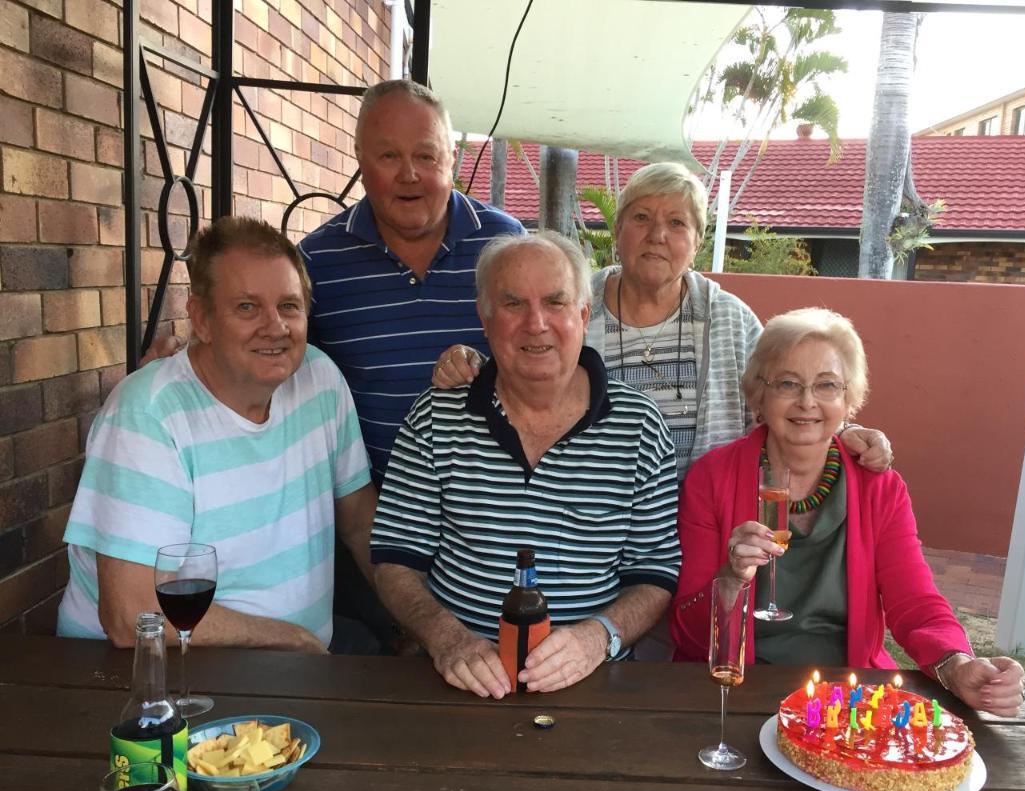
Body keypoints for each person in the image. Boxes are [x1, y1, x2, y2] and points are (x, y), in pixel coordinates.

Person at [433, 161, 893, 479]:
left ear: (696, 240)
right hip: (593, 525)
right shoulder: (569, 304)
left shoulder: (730, 319)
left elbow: (788, 390)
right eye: (641, 217)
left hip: (711, 527)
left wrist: (847, 431)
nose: (657, 235)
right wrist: (471, 362)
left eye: (677, 223)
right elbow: (518, 358)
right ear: (617, 231)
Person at [669, 308, 1025, 717]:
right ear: (758, 395)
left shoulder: (879, 487)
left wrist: (956, 664)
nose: (807, 402)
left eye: (827, 385)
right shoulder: (711, 479)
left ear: (848, 400)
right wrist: (731, 580)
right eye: (788, 383)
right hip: (737, 692)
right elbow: (689, 631)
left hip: (847, 699)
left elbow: (915, 604)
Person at [371, 232, 681, 698]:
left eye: (555, 302)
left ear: (583, 313)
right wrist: (447, 639)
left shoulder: (640, 426)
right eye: (513, 303)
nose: (536, 324)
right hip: (456, 682)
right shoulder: (436, 415)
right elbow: (395, 560)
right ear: (486, 318)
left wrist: (596, 639)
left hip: (592, 683)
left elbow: (655, 572)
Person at [57, 218, 377, 653]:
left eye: (289, 305)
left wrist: (420, 623)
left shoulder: (319, 378)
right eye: (247, 307)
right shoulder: (147, 414)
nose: (275, 327)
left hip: (294, 674)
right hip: (149, 679)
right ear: (202, 319)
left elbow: (358, 519)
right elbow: (132, 614)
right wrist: (292, 639)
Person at [298, 79, 525, 483]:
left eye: (426, 155)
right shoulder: (318, 262)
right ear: (360, 158)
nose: (409, 173)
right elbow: (282, 373)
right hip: (366, 513)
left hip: (489, 509)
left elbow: (540, 356)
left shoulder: (506, 244)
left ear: (451, 158)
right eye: (389, 155)